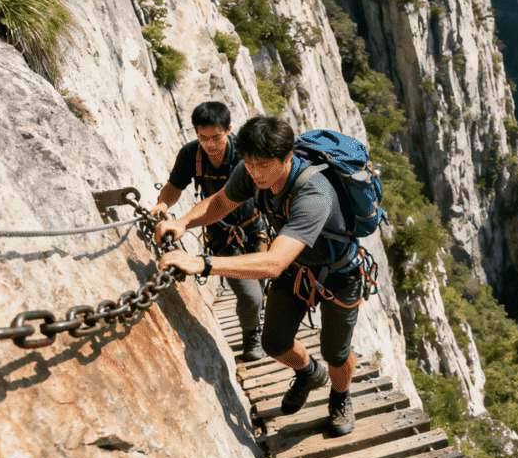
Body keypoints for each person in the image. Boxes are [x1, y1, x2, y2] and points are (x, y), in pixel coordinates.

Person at [156, 116, 365, 435]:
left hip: (339, 274)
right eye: (250, 164)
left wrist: (203, 263)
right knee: (274, 343)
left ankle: (340, 397)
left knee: (335, 352)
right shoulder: (251, 169)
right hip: (298, 269)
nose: (256, 172)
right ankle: (309, 372)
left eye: (264, 165)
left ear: (287, 157)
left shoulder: (315, 193)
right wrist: (182, 222)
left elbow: (274, 263)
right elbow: (222, 201)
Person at [152, 102, 268, 361]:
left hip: (254, 230)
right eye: (203, 138)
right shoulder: (191, 155)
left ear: (229, 129)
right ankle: (252, 337)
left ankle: (255, 326)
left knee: (259, 288)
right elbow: (174, 186)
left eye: (216, 137)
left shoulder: (244, 154)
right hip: (222, 236)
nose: (210, 144)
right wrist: (163, 204)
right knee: (250, 294)